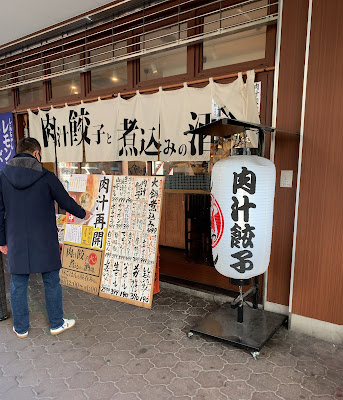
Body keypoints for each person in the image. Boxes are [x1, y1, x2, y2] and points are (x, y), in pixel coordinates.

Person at [0, 138, 87, 338]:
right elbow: (65, 201)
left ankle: (21, 328)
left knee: (18, 283)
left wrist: (2, 240)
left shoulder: (3, 176)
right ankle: (56, 323)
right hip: (44, 238)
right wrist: (84, 214)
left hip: (16, 239)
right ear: (36, 153)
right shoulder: (46, 175)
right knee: (51, 281)